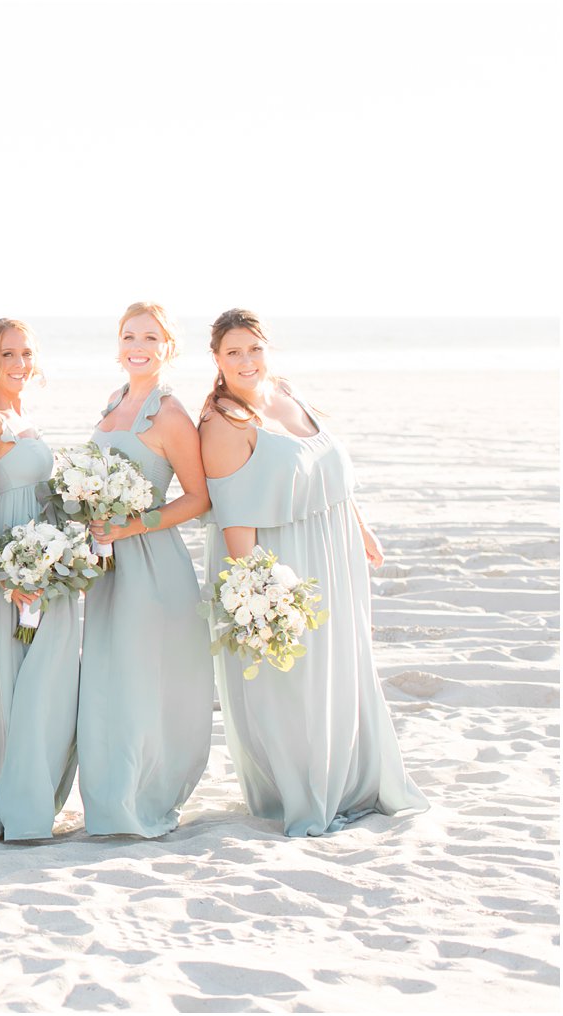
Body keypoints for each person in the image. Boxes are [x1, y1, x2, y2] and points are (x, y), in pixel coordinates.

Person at [198, 308, 428, 836]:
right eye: (233, 352)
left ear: (267, 349)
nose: (246, 360)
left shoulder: (285, 392)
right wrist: (254, 594)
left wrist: (361, 528)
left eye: (254, 348)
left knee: (345, 665)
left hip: (335, 549)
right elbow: (235, 516)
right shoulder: (221, 420)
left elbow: (329, 471)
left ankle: (355, 779)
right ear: (216, 359)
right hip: (280, 564)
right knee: (298, 680)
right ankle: (307, 787)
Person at [77, 302, 214, 837]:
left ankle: (140, 799)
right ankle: (111, 797)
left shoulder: (170, 413)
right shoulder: (114, 401)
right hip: (106, 563)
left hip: (152, 564)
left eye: (151, 338)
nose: (139, 346)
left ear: (168, 349)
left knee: (140, 679)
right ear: (118, 344)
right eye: (130, 336)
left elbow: (199, 498)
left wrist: (136, 524)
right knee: (109, 678)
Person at [0, 318, 79, 841]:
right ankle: (11, 799)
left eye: (26, 354)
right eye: (8, 355)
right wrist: (5, 572)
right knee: (23, 673)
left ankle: (34, 789)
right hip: (17, 567)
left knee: (50, 674)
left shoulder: (22, 416)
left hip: (49, 562)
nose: (20, 364)